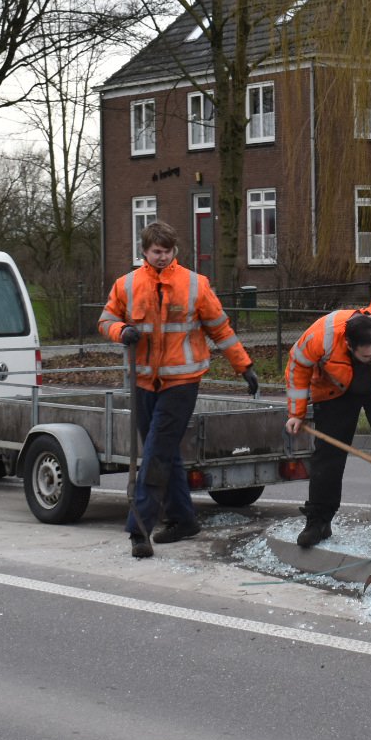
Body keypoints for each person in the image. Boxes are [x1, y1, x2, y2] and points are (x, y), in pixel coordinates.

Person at [99, 221, 260, 559]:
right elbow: (106, 320)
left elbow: (220, 329)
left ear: (175, 251)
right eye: (157, 251)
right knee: (165, 452)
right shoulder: (127, 285)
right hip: (143, 381)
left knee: (155, 453)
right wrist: (121, 331)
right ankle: (184, 519)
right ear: (144, 251)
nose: (162, 257)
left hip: (182, 383)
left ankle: (139, 530)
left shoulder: (194, 284)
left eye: (168, 251)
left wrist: (244, 366)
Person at [283, 298, 371, 549]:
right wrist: (297, 412)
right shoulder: (323, 335)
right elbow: (298, 364)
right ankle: (319, 521)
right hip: (335, 390)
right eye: (368, 356)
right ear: (349, 346)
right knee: (328, 454)